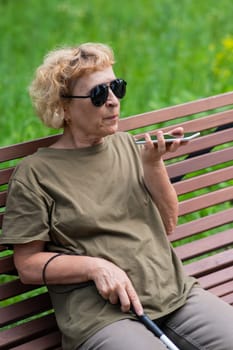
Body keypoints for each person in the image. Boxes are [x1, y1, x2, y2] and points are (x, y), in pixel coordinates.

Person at [1, 42, 233, 350]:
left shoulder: (128, 145)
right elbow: (28, 265)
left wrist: (153, 164)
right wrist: (95, 266)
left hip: (173, 295)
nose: (112, 101)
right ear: (64, 107)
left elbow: (167, 223)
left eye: (116, 88)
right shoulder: (35, 174)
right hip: (103, 317)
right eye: (99, 94)